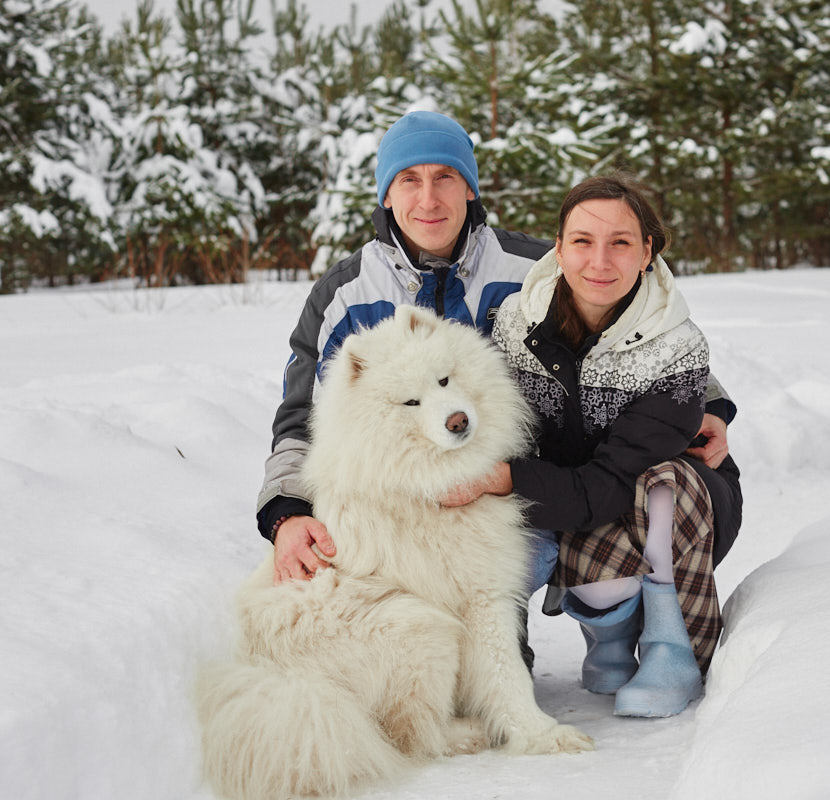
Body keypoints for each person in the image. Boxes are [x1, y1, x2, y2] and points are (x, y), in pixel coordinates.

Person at [256, 112, 736, 598]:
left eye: (446, 176)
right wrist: (287, 512)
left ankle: (509, 641)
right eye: (408, 180)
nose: (428, 198)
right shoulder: (344, 294)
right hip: (395, 498)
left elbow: (640, 331)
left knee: (529, 558)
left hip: (506, 487)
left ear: (470, 188)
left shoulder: (529, 269)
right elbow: (300, 417)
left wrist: (710, 405)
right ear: (385, 194)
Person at [442, 173, 743, 718]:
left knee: (662, 483)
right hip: (568, 492)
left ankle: (670, 648)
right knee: (563, 553)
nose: (599, 261)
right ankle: (604, 637)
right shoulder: (515, 325)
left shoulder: (677, 348)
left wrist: (508, 479)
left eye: (621, 242)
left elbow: (611, 481)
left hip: (671, 503)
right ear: (558, 248)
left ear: (647, 251)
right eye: (582, 241)